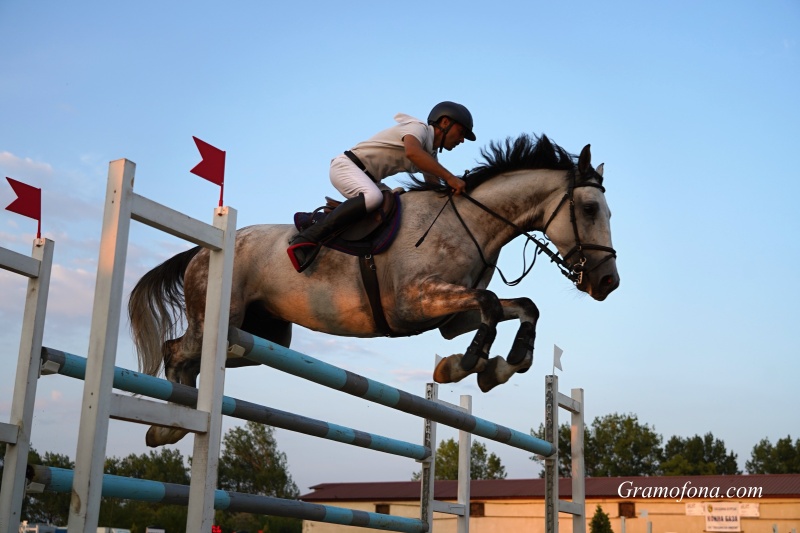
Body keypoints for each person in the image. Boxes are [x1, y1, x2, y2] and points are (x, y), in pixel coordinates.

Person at [287, 101, 476, 272]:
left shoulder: (430, 153)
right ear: (444, 122)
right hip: (347, 167)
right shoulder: (417, 128)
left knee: (398, 202)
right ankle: (307, 237)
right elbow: (412, 152)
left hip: (369, 179)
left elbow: (432, 188)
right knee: (373, 198)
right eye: (461, 133)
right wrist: (451, 178)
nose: (461, 140)